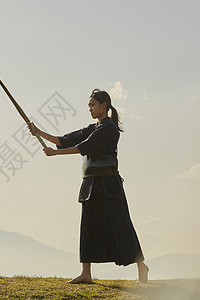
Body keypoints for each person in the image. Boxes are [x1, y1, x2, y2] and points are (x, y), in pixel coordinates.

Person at [28, 89, 149, 284]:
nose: (90, 109)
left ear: (104, 106)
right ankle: (86, 274)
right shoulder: (93, 128)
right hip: (90, 185)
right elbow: (65, 140)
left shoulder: (108, 129)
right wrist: (38, 132)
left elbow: (84, 147)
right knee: (88, 227)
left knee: (121, 226)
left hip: (109, 186)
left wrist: (54, 154)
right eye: (89, 106)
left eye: (93, 105)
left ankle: (142, 267)